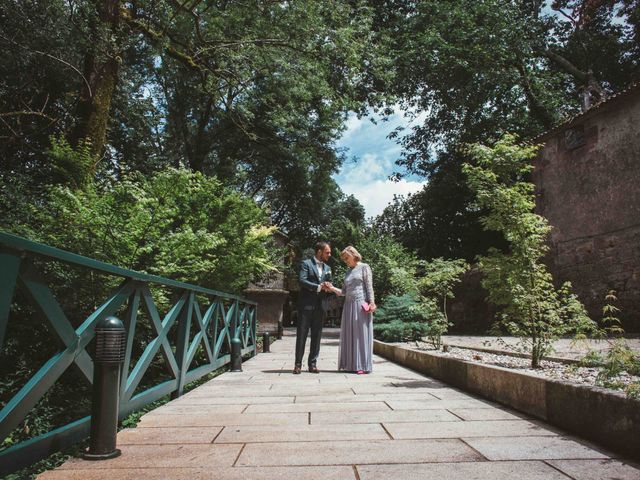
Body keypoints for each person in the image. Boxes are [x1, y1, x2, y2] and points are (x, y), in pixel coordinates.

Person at [327, 246, 376, 374]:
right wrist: (331, 288)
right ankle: (350, 365)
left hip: (361, 305)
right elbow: (343, 292)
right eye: (344, 260)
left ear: (354, 255)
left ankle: (362, 365)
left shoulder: (364, 267)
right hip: (348, 306)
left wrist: (372, 302)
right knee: (350, 335)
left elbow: (369, 287)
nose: (346, 261)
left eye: (347, 258)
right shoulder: (348, 272)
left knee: (361, 335)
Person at [294, 241, 333, 374]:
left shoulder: (328, 268)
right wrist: (317, 287)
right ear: (319, 252)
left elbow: (329, 283)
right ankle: (298, 364)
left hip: (320, 306)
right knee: (302, 335)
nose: (330, 254)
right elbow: (302, 280)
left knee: (317, 336)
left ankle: (312, 364)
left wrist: (328, 287)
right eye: (327, 252)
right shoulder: (306, 264)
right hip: (306, 306)